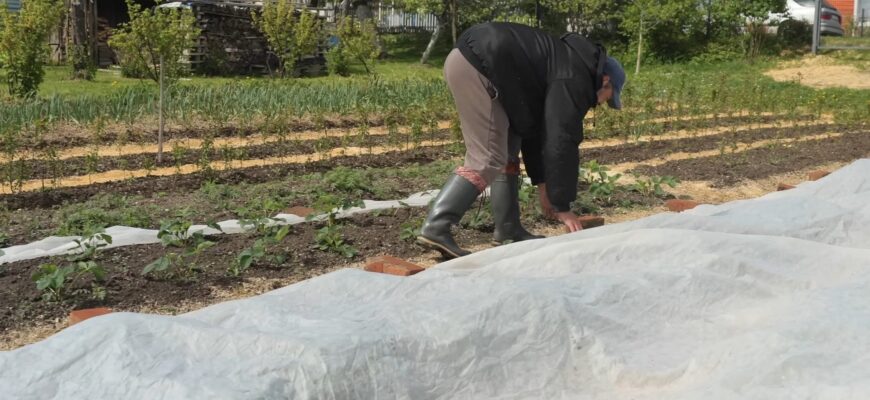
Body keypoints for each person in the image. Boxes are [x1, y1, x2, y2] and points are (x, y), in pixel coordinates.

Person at [416, 22, 626, 260]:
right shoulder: (573, 77)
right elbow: (561, 140)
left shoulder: (564, 63)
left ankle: (508, 229)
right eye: (608, 99)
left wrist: (544, 184)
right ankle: (437, 226)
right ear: (605, 80)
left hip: (476, 60)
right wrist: (562, 206)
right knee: (487, 158)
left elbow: (535, 130)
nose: (601, 104)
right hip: (478, 64)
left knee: (507, 149)